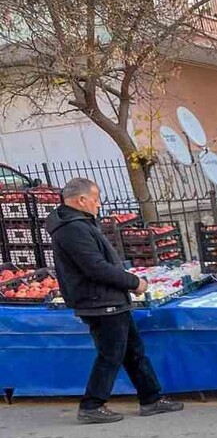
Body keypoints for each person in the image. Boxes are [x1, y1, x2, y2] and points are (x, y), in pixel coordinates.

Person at [45, 178, 184, 424]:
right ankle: (92, 404)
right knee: (111, 354)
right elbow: (95, 267)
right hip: (99, 300)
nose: (99, 205)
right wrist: (133, 282)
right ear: (81, 200)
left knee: (133, 350)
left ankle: (151, 398)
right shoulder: (72, 228)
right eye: (96, 199)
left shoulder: (78, 223)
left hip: (108, 298)